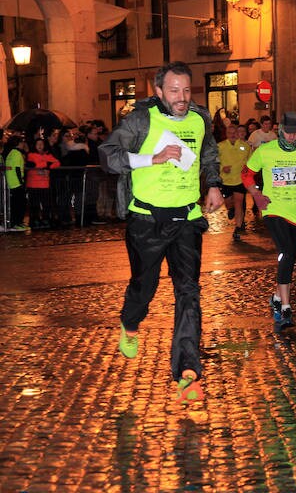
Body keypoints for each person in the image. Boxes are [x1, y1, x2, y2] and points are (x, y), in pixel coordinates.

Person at [98, 61, 225, 404]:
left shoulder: (200, 119)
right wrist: (149, 159)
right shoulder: (141, 120)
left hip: (186, 218)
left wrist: (213, 184)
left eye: (186, 90)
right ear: (158, 91)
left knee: (189, 292)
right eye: (174, 90)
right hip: (146, 219)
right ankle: (130, 321)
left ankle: (187, 372)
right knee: (145, 286)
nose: (181, 97)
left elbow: (208, 152)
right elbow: (107, 156)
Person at [242, 112, 296, 331]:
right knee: (286, 252)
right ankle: (286, 307)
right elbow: (246, 174)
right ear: (280, 130)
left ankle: (276, 296)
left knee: (290, 257)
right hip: (274, 208)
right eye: (288, 133)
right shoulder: (265, 151)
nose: (292, 138)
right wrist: (256, 194)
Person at [218, 120, 251, 240]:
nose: (232, 135)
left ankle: (237, 228)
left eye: (234, 132)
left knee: (239, 203)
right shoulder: (220, 146)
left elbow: (250, 162)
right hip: (225, 180)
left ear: (238, 133)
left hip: (239, 179)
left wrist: (248, 175)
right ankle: (230, 209)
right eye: (229, 132)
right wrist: (222, 168)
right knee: (229, 203)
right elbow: (215, 162)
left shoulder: (245, 146)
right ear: (226, 134)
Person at [25, 138, 60, 229]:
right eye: (38, 144)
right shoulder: (31, 155)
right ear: (34, 145)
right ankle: (34, 221)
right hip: (33, 184)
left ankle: (45, 219)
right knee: (34, 205)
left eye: (42, 144)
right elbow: (32, 164)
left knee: (46, 204)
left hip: (45, 184)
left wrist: (48, 167)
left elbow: (57, 162)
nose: (40, 146)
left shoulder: (47, 154)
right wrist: (46, 165)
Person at [4, 137, 28, 231]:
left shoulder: (11, 153)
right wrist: (21, 182)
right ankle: (17, 223)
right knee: (20, 204)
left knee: (15, 204)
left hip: (11, 182)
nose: (23, 144)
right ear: (18, 143)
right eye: (22, 142)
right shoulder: (18, 153)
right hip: (17, 182)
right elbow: (17, 169)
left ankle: (16, 223)